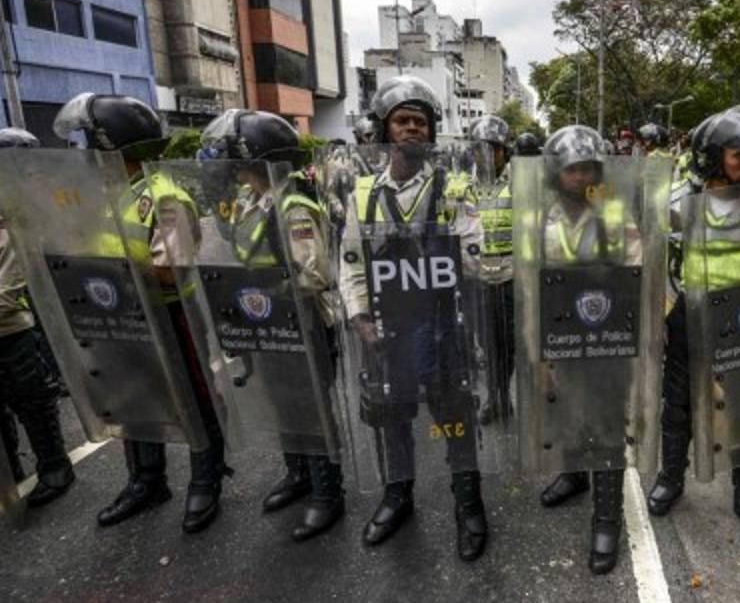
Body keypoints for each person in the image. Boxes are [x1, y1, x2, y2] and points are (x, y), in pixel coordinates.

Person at [54, 93, 231, 532]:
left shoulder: (164, 198)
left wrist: (107, 273)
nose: (84, 152)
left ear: (112, 145)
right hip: (118, 314)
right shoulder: (107, 193)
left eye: (90, 141)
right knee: (132, 397)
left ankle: (206, 480)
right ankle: (146, 481)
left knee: (193, 399)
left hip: (170, 316)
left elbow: (170, 272)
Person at [339, 75, 489, 561]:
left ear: (431, 131)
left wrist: (455, 242)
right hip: (389, 329)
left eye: (420, 122)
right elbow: (352, 265)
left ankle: (468, 503)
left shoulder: (454, 189)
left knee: (454, 417)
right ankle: (397, 495)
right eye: (402, 121)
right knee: (392, 416)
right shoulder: (362, 194)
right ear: (384, 129)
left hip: (443, 326)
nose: (411, 129)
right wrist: (360, 317)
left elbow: (475, 262)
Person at [196, 109, 346, 541]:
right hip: (265, 321)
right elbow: (236, 245)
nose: (227, 163)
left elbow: (315, 275)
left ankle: (327, 492)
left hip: (300, 320)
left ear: (254, 156)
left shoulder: (293, 206)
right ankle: (298, 473)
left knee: (310, 406)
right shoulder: (251, 200)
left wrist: (264, 289)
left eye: (233, 155)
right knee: (282, 402)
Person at [646, 105, 740, 545]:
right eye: (739, 156)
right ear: (712, 157)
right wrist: (658, 315)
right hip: (691, 314)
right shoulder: (677, 203)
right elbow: (654, 260)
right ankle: (671, 478)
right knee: (679, 403)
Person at [531, 124, 642, 575]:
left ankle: (607, 518)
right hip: (564, 338)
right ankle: (576, 474)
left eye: (588, 169)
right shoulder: (542, 219)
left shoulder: (615, 214)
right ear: (556, 173)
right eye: (571, 169)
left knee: (608, 423)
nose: (580, 176)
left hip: (607, 337)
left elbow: (637, 270)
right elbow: (534, 283)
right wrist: (540, 350)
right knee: (569, 412)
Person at [0, 128, 75, 507]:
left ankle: (54, 466)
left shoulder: (8, 202)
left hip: (6, 322)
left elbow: (13, 265)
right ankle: (5, 471)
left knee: (31, 399)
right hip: (0, 315)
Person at [467, 116, 516, 426]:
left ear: (503, 151)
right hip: (479, 279)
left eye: (493, 149)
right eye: (480, 149)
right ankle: (494, 396)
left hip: (512, 277)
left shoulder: (521, 183)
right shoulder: (462, 187)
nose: (486, 155)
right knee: (487, 344)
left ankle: (502, 395)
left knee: (509, 344)